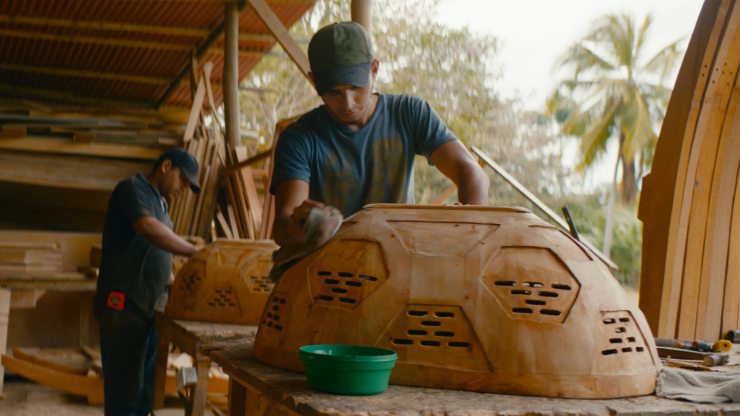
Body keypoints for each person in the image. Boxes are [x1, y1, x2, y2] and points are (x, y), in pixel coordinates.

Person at [270, 21, 490, 248]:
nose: (347, 103)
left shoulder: (409, 114)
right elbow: (282, 225)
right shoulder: (299, 138)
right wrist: (304, 226)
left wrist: (469, 233)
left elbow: (472, 174)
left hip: (400, 259)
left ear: (374, 70)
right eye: (333, 91)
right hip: (330, 270)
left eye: (356, 88)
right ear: (314, 81)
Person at [94, 147, 201, 415]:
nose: (183, 189)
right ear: (166, 166)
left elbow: (156, 252)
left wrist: (172, 279)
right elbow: (146, 228)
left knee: (144, 393)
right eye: (182, 180)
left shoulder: (162, 205)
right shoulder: (133, 188)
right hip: (124, 307)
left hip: (150, 309)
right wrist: (195, 251)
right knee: (124, 396)